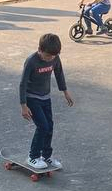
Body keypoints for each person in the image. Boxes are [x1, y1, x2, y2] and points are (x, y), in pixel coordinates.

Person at [18, 33, 74, 170]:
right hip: (32, 98)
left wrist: (65, 91)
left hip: (45, 97)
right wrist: (23, 105)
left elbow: (59, 73)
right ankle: (32, 156)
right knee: (43, 126)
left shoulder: (55, 57)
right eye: (47, 56)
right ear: (39, 49)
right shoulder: (31, 61)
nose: (50, 59)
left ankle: (46, 156)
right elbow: (22, 83)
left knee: (49, 126)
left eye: (53, 56)